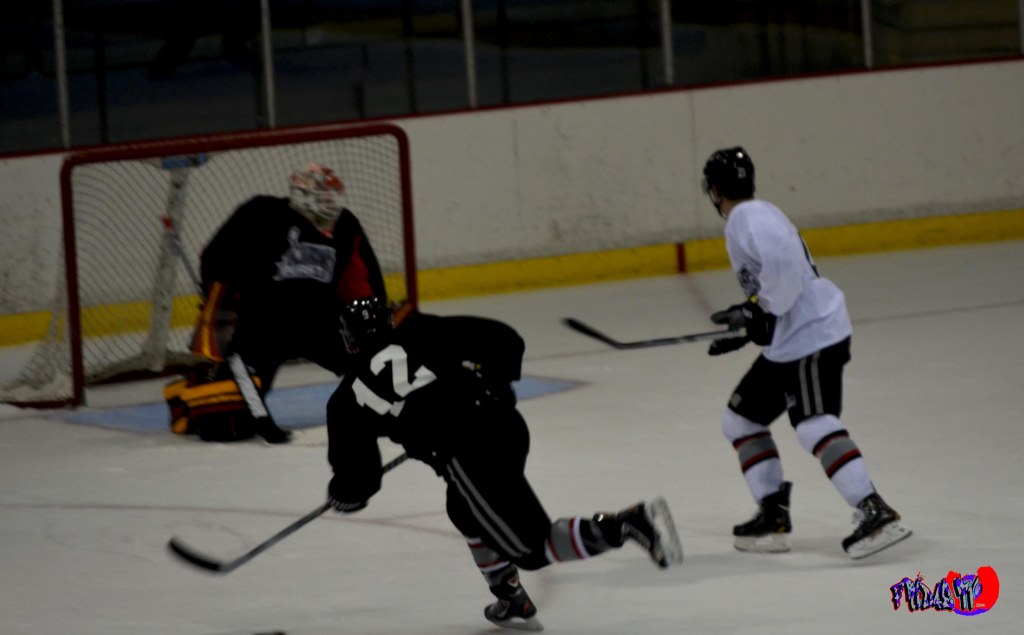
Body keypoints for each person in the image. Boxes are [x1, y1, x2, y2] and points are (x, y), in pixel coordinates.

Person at [324, 297, 684, 631]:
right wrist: (496, 382)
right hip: (507, 427)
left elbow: (359, 477)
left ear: (349, 339)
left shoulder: (345, 400)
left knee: (531, 549)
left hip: (469, 454)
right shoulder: (420, 330)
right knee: (463, 509)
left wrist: (344, 494)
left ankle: (628, 523)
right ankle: (511, 599)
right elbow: (504, 339)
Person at [700, 146, 912, 559]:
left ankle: (874, 509)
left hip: (814, 334)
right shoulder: (755, 215)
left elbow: (783, 273)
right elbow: (779, 282)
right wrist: (754, 325)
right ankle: (772, 514)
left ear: (713, 189)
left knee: (813, 423)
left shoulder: (747, 216)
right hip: (792, 340)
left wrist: (755, 310)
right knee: (741, 419)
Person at [164, 163, 388, 444]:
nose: (332, 206)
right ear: (303, 197)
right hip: (263, 324)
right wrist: (227, 308)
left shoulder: (345, 226)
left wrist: (374, 337)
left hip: (320, 321)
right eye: (324, 198)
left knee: (391, 375)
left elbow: (359, 283)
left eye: (334, 198)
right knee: (226, 425)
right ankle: (188, 394)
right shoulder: (262, 214)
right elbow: (215, 258)